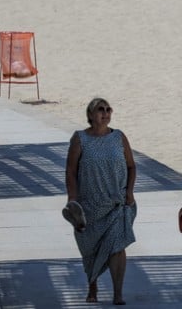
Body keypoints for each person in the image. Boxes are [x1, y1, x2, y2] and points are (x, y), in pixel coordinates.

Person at [65, 97, 137, 305]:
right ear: (90, 115)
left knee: (117, 245)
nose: (105, 113)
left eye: (108, 109)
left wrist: (129, 192)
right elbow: (70, 171)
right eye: (100, 110)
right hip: (89, 205)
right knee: (91, 248)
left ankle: (117, 293)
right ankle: (93, 285)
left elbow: (132, 166)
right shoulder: (80, 139)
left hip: (116, 203)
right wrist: (73, 200)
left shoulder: (119, 137)